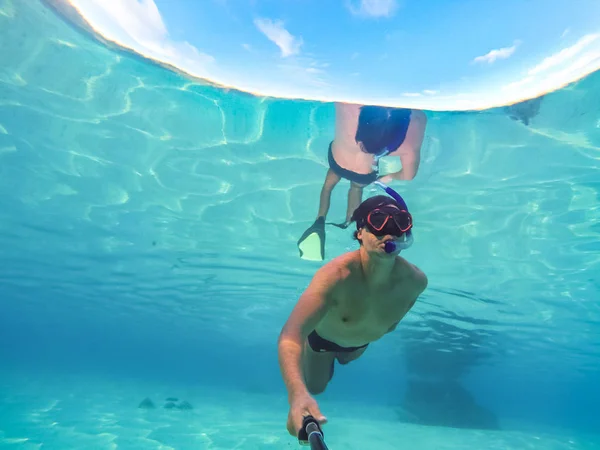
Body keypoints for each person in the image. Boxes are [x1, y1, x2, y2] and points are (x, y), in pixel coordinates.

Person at [279, 183, 428, 438]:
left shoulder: (415, 282)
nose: (388, 232)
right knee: (317, 387)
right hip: (322, 340)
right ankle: (316, 359)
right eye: (378, 221)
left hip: (359, 344)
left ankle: (342, 354)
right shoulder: (336, 277)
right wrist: (297, 395)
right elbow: (290, 335)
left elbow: (391, 322)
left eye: (398, 223)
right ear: (360, 232)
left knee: (347, 357)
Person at [297, 102, 427, 261]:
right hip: (364, 174)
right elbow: (408, 175)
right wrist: (386, 177)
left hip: (338, 161)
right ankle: (350, 224)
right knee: (356, 189)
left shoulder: (348, 105)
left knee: (328, 187)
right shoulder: (416, 122)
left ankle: (319, 219)